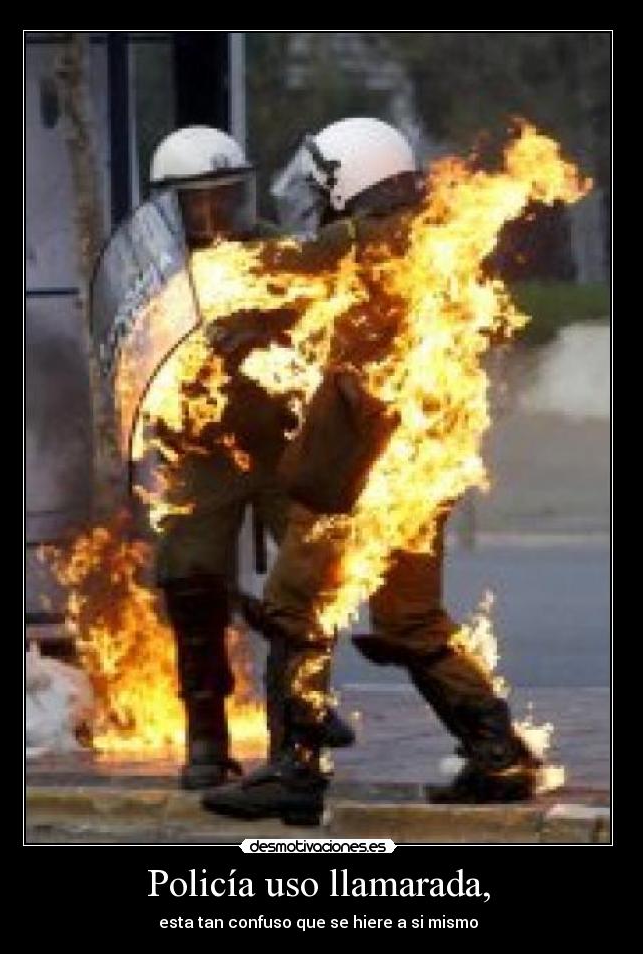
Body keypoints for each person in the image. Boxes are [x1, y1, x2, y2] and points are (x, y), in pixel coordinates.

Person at [202, 118, 541, 823]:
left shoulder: (362, 241)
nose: (318, 200)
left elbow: (277, 272)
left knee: (295, 607)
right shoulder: (425, 238)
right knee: (410, 620)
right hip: (419, 461)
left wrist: (208, 271)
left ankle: (293, 773)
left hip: (358, 459)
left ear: (351, 181)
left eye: (324, 185)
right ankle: (499, 754)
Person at [147, 126, 352, 791]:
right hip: (202, 451)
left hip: (280, 442)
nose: (215, 208)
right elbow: (134, 351)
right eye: (199, 197)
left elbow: (315, 321)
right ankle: (206, 737)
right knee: (191, 581)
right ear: (171, 203)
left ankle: (301, 728)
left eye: (226, 192)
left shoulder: (273, 249)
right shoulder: (154, 266)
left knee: (306, 588)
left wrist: (262, 326)